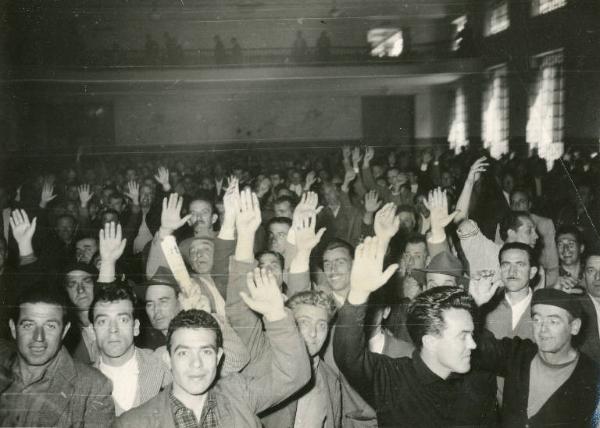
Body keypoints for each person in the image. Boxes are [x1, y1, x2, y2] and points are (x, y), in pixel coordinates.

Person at [114, 267, 311, 428]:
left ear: (218, 358)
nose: (196, 364)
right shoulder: (133, 423)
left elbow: (294, 375)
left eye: (206, 351)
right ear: (167, 359)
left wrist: (276, 314)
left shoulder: (238, 394)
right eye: (183, 353)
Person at [333, 237, 496, 427]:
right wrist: (358, 293)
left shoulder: (479, 383)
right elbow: (348, 356)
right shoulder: (394, 378)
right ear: (430, 341)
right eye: (462, 336)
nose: (473, 344)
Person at [470, 282, 600, 427]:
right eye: (537, 320)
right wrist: (474, 306)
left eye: (553, 321)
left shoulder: (592, 377)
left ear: (574, 327)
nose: (543, 329)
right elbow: (477, 348)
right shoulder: (518, 354)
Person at [0, 286, 115, 426]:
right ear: (13, 328)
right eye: (28, 325)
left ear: (64, 331)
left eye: (50, 326)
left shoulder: (92, 388)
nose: (39, 337)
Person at [90, 282, 171, 416]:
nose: (113, 330)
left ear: (135, 327)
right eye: (103, 321)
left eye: (122, 320)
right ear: (93, 331)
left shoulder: (163, 367)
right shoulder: (82, 383)